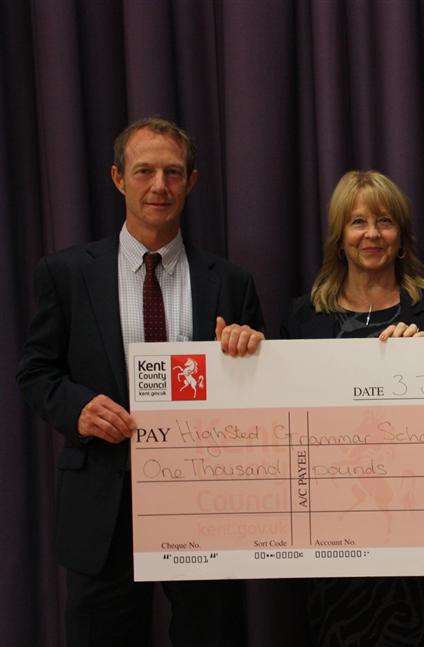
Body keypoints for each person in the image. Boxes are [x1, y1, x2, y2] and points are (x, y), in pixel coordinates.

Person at [17, 117, 265, 646]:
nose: (159, 186)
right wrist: (78, 409)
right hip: (102, 499)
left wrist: (247, 353)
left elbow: (259, 398)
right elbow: (36, 373)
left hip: (206, 503)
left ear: (192, 182)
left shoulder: (232, 282)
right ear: (117, 178)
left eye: (173, 173)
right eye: (144, 171)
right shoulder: (66, 274)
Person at [282, 170, 424, 645]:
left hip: (422, 527)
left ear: (401, 237)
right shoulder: (304, 317)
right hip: (335, 533)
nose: (371, 234)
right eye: (357, 222)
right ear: (339, 238)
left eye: (384, 222)